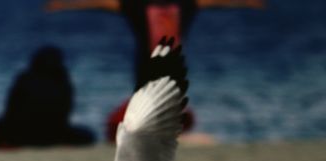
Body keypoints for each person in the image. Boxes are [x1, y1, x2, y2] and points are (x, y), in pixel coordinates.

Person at [46, 0, 265, 86]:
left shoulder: (140, 5)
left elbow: (102, 3)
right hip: (162, 65)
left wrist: (63, 4)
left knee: (152, 109)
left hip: (152, 65)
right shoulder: (180, 4)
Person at [0, 46, 95, 148]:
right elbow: (66, 111)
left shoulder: (25, 78)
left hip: (22, 135)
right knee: (88, 134)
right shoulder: (62, 80)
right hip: (54, 135)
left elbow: (10, 109)